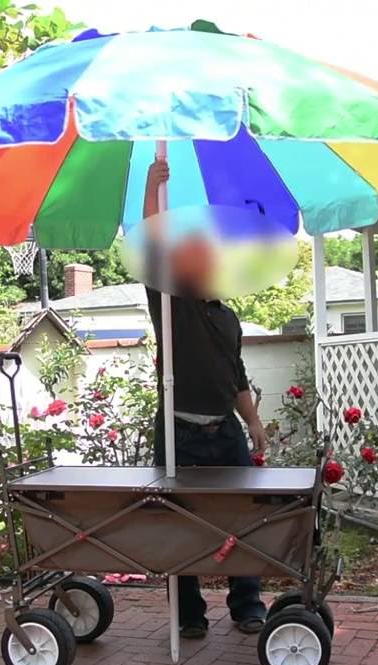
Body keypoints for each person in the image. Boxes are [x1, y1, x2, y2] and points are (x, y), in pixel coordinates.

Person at [143, 158, 269, 638]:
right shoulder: (172, 303)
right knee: (178, 525)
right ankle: (189, 616)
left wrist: (253, 422)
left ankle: (247, 607)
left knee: (241, 520)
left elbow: (235, 374)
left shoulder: (229, 319)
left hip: (226, 433)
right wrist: (153, 192)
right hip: (178, 432)